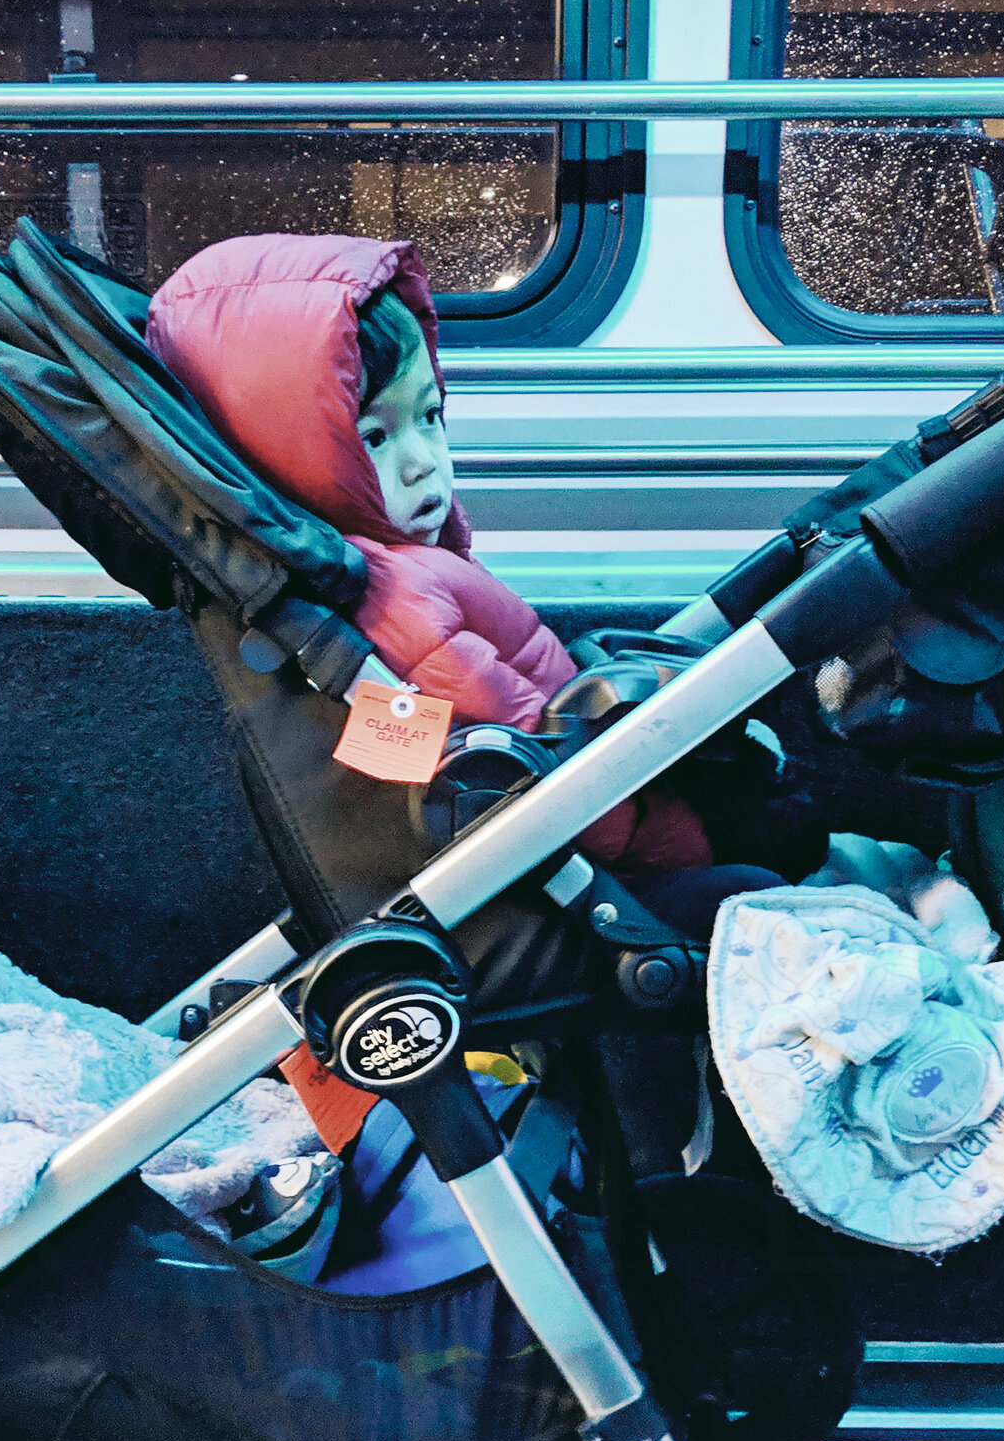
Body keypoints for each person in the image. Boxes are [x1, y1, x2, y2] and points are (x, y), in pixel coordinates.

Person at [144, 233, 821, 936]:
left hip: (598, 817)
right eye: (374, 439)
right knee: (782, 854)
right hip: (605, 859)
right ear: (289, 455)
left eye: (430, 417)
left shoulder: (397, 569)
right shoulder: (395, 599)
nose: (422, 463)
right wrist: (690, 841)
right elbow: (541, 775)